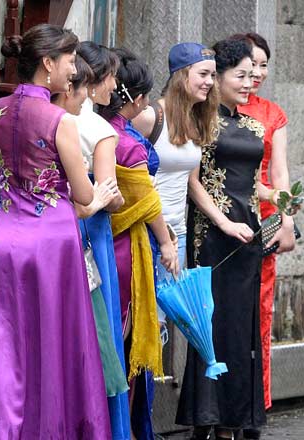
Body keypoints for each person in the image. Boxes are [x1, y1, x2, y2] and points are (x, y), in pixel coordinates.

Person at [0, 24, 111, 438]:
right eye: (69, 61)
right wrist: (90, 187)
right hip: (51, 242)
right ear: (48, 63)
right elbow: (84, 193)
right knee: (54, 342)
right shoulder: (58, 119)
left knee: (5, 343)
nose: (73, 70)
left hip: (6, 239)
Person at [176, 39, 274, 440]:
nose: (250, 83)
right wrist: (223, 223)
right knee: (210, 323)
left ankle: (233, 419)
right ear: (218, 78)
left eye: (253, 75)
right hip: (212, 237)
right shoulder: (200, 121)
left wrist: (279, 198)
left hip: (248, 236)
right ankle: (205, 419)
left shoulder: (253, 126)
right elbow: (191, 182)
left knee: (239, 328)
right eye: (241, 75)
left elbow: (250, 184)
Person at [99, 47, 179, 439]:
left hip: (100, 240)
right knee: (124, 343)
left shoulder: (90, 128)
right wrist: (166, 243)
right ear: (137, 97)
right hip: (127, 247)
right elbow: (147, 201)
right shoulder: (126, 142)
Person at [52, 55, 131, 440]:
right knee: (100, 330)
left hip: (53, 223)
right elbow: (107, 195)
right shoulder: (99, 128)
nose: (114, 86)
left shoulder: (51, 118)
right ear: (91, 82)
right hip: (90, 229)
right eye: (111, 77)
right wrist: (127, 198)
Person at [230, 32, 294, 426]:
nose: (257, 72)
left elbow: (280, 173)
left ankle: (258, 405)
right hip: (226, 215)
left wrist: (287, 218)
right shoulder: (218, 108)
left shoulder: (272, 113)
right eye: (250, 64)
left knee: (261, 311)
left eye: (263, 65)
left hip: (263, 221)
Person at [132, 42, 219, 288]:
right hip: (147, 230)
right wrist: (163, 239)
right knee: (151, 308)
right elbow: (130, 175)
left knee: (170, 306)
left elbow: (192, 182)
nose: (210, 82)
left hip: (177, 233)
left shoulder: (196, 120)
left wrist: (224, 222)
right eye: (203, 74)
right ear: (181, 76)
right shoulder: (150, 116)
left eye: (213, 75)